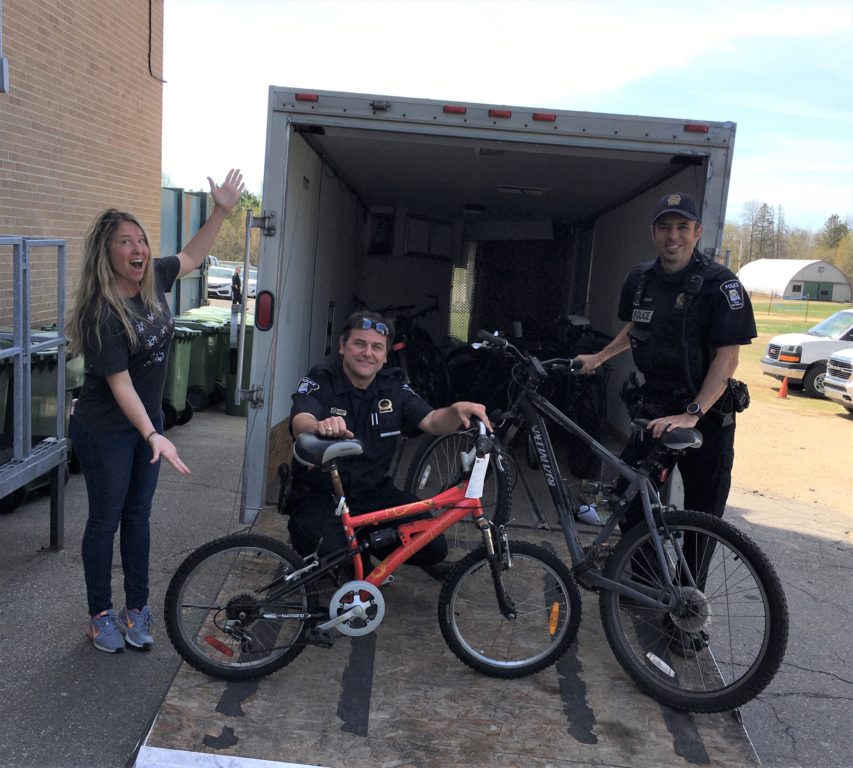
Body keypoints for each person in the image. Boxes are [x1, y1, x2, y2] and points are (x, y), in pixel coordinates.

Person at [68, 169, 244, 653]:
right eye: (126, 242)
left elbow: (191, 255)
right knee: (107, 519)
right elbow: (120, 384)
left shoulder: (154, 282)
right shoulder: (100, 311)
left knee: (138, 518)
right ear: (107, 253)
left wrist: (222, 211)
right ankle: (100, 614)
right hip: (106, 429)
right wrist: (151, 434)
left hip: (148, 428)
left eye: (141, 239)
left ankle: (136, 609)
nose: (138, 248)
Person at [575, 192, 756, 653]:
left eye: (682, 227)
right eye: (665, 227)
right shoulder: (640, 279)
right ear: (653, 232)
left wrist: (692, 411)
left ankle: (685, 614)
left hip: (706, 419)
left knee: (700, 517)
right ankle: (646, 587)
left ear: (697, 232)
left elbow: (728, 356)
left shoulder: (721, 285)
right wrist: (600, 356)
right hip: (652, 412)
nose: (672, 236)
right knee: (633, 502)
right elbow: (636, 327)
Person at [286, 310, 490, 581]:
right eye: (359, 343)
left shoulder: (393, 387)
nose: (367, 353)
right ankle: (345, 554)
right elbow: (301, 419)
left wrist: (456, 410)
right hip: (321, 495)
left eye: (376, 347)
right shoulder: (321, 378)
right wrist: (319, 426)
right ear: (342, 346)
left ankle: (365, 544)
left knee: (433, 546)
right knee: (338, 562)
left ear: (384, 356)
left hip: (374, 495)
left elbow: (431, 420)